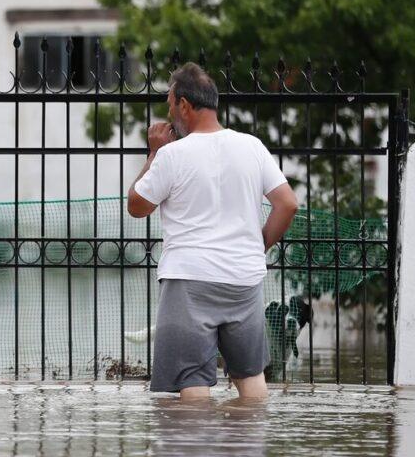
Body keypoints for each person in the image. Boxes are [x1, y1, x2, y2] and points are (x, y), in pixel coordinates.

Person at [127, 62, 299, 400]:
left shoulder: (171, 155)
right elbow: (288, 204)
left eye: (170, 104)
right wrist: (255, 246)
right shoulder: (252, 147)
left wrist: (153, 154)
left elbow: (137, 205)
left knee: (191, 384)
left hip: (190, 280)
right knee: (251, 381)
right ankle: (247, 449)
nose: (169, 113)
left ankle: (196, 451)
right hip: (244, 279)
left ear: (185, 106)